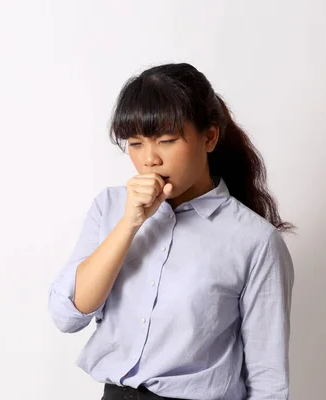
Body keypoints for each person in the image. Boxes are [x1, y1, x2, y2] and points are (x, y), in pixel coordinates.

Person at [47, 62, 295, 400]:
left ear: (209, 137)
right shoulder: (109, 207)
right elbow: (67, 315)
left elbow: (268, 380)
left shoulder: (255, 241)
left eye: (166, 140)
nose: (149, 159)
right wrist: (130, 223)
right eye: (135, 144)